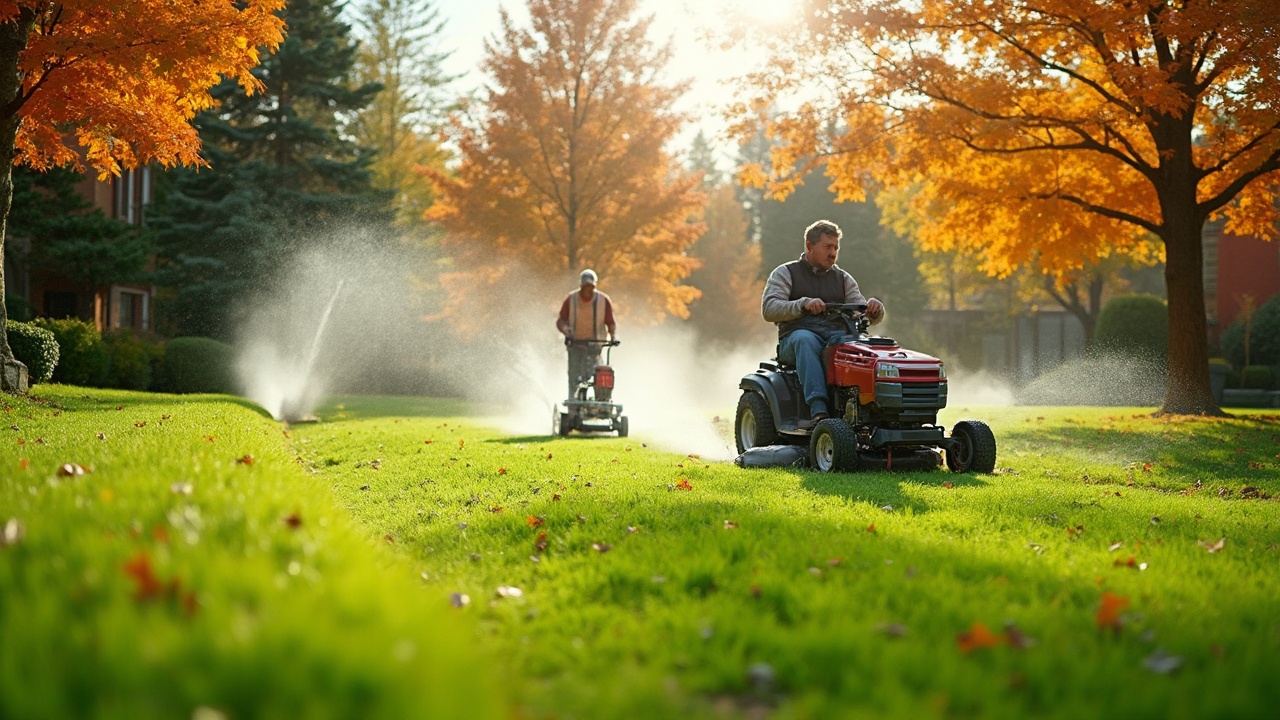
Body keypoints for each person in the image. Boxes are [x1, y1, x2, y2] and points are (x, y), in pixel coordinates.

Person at [762, 219, 885, 427]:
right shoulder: (785, 273)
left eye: (836, 247)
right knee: (806, 339)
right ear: (810, 246)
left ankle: (869, 407)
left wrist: (875, 311)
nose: (833, 253)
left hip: (836, 337)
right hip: (794, 340)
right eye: (828, 247)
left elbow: (860, 311)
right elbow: (769, 309)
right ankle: (818, 409)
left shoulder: (844, 279)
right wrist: (803, 304)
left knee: (858, 347)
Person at [556, 269, 617, 399]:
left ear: (594, 286)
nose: (588, 290)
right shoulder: (571, 300)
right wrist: (566, 330)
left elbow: (610, 322)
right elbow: (561, 320)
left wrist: (613, 337)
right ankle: (573, 401)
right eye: (585, 286)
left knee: (599, 373)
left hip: (596, 346)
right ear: (581, 286)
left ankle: (601, 400)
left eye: (590, 286)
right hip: (575, 344)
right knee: (574, 375)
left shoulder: (603, 301)